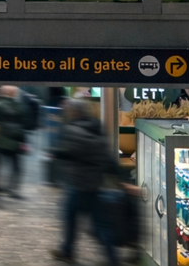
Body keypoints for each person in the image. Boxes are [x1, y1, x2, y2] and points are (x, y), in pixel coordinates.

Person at [49, 99, 119, 266]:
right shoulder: (96, 128)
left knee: (70, 218)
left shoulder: (73, 130)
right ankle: (112, 259)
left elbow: (71, 152)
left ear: (74, 112)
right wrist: (117, 177)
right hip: (95, 184)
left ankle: (67, 251)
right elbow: (106, 156)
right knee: (101, 224)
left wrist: (57, 153)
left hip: (78, 184)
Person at [0, 85, 26, 198]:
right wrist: (22, 141)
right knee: (16, 167)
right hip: (15, 141)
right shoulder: (19, 106)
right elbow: (24, 124)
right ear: (13, 94)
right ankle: (13, 189)